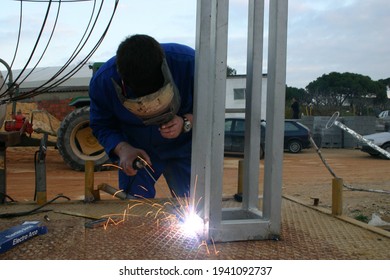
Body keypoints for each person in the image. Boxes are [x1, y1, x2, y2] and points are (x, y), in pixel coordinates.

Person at [89, 34, 195, 199]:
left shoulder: (189, 63)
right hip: (138, 152)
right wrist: (123, 150)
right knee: (135, 209)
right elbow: (102, 125)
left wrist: (187, 121)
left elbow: (213, 108)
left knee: (193, 205)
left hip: (184, 147)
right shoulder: (103, 82)